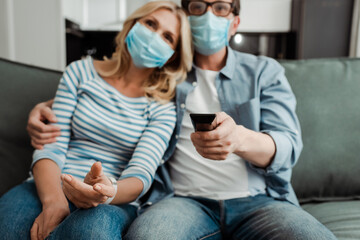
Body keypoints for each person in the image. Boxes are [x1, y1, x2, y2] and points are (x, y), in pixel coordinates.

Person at [24, 0, 337, 239]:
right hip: (182, 202)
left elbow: (288, 145)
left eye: (221, 7)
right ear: (187, 18)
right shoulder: (166, 77)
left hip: (259, 201)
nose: (208, 15)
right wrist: (47, 105)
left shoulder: (264, 71)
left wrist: (239, 138)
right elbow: (115, 92)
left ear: (234, 22)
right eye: (198, 6)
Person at [0, 1, 192, 239]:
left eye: (167, 37)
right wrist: (54, 201)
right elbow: (51, 146)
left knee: (92, 232)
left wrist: (105, 192)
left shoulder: (163, 108)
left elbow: (140, 174)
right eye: (150, 24)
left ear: (172, 57)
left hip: (113, 200)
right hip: (50, 184)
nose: (154, 36)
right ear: (132, 26)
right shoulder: (79, 72)